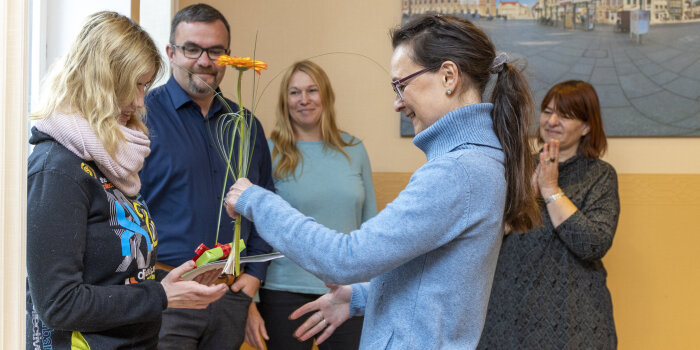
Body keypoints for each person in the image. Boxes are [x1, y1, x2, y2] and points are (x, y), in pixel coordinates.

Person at [225, 14, 540, 349]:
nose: (396, 103)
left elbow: (343, 258)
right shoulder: (478, 161)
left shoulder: (457, 171)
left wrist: (254, 199)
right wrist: (360, 295)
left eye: (400, 85)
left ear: (449, 76)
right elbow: (435, 278)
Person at [26, 11, 227, 350]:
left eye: (145, 86)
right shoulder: (57, 168)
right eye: (135, 85)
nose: (139, 102)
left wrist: (173, 281)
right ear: (101, 80)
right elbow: (59, 304)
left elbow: (119, 278)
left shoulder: (109, 160)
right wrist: (161, 295)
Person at [138, 4, 274, 350]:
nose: (204, 61)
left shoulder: (246, 125)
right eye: (192, 49)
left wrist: (255, 277)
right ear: (170, 53)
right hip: (167, 294)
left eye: (215, 51)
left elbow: (266, 204)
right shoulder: (139, 118)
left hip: (228, 295)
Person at [477, 80, 620, 349]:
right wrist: (528, 197)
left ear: (587, 127)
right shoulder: (515, 166)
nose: (552, 121)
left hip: (575, 316)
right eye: (547, 111)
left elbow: (593, 245)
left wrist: (551, 189)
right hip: (510, 309)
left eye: (565, 115)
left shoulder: (601, 176)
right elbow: (487, 235)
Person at [245, 60, 377, 350]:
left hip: (347, 292)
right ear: (285, 100)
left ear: (326, 96)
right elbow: (252, 228)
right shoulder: (268, 151)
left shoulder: (354, 149)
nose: (304, 100)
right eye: (294, 92)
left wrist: (373, 290)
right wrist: (250, 302)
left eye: (312, 90)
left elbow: (371, 227)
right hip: (283, 293)